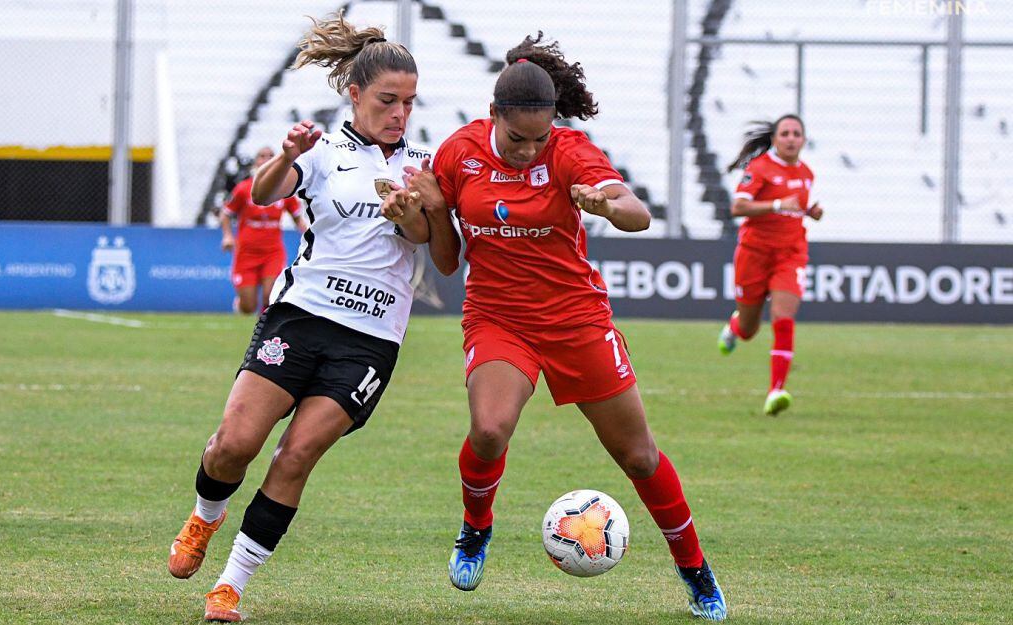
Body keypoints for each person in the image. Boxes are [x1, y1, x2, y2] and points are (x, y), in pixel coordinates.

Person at [402, 34, 727, 621]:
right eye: (516, 139)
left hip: (576, 319)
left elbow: (636, 213)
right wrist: (434, 209)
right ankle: (475, 530)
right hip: (498, 317)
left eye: (540, 138)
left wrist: (605, 205)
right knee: (489, 430)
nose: (529, 150)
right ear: (493, 114)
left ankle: (695, 571)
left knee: (639, 457)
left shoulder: (570, 151)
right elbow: (447, 262)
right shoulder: (459, 152)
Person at [166, 12, 430, 623]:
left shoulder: (424, 162)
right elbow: (264, 193)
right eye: (387, 100)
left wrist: (411, 212)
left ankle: (230, 587)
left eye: (409, 103)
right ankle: (204, 517)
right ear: (354, 94)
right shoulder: (323, 151)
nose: (399, 114)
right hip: (300, 316)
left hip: (371, 340)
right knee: (234, 445)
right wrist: (287, 154)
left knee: (295, 456)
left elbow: (430, 241)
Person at [717, 115, 823, 416]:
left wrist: (810, 212)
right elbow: (738, 207)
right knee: (749, 329)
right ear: (775, 139)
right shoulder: (759, 168)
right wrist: (777, 205)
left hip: (790, 255)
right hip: (754, 254)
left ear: (803, 140)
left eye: (796, 134)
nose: (791, 138)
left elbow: (795, 207)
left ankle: (776, 390)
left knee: (783, 317)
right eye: (785, 133)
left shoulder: (807, 173)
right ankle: (735, 326)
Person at [220, 146, 310, 315]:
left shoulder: (285, 189)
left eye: (270, 156)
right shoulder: (243, 188)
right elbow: (225, 214)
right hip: (246, 253)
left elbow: (298, 217)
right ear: (255, 162)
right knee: (248, 307)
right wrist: (227, 236)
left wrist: (309, 234)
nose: (266, 159)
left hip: (272, 252)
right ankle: (241, 303)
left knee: (270, 295)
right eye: (262, 156)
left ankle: (262, 327)